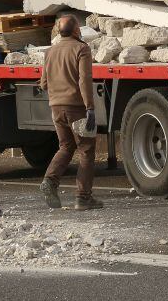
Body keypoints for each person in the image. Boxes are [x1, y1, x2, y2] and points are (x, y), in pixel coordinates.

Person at [37, 15, 101, 211]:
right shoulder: (81, 48)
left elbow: (43, 83)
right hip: (77, 108)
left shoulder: (50, 51)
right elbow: (84, 80)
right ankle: (83, 198)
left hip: (56, 107)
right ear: (76, 30)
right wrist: (90, 107)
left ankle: (50, 180)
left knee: (65, 146)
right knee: (86, 150)